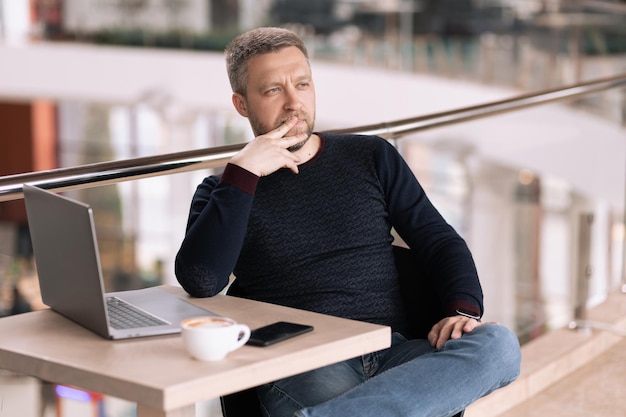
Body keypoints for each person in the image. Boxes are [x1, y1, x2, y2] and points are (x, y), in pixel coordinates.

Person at [175, 27, 521, 417]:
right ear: (242, 104)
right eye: (273, 90)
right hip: (303, 361)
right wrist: (245, 173)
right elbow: (202, 281)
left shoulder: (370, 156)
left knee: (499, 346)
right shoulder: (225, 189)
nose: (294, 102)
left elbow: (438, 239)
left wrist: (462, 310)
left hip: (394, 349)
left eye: (302, 84)